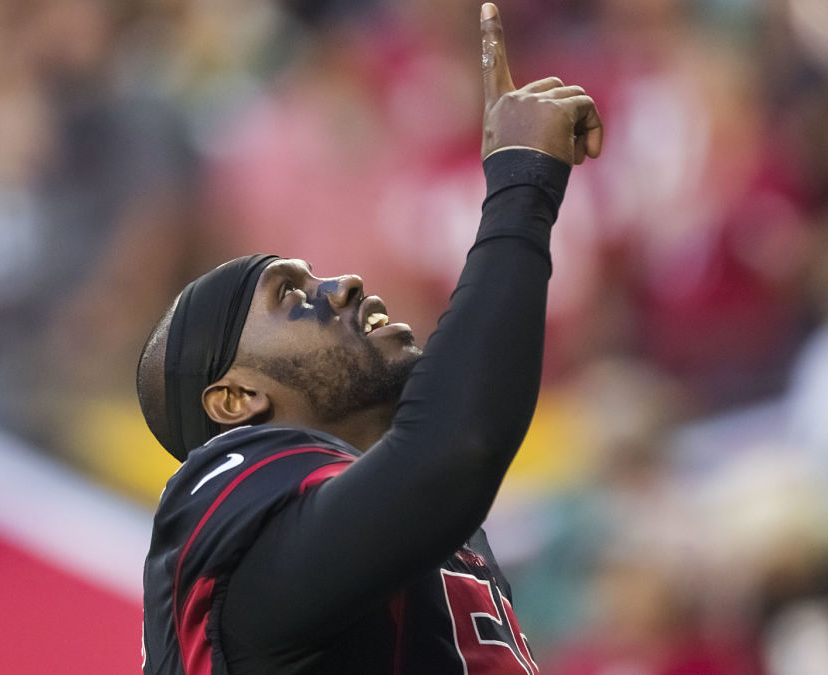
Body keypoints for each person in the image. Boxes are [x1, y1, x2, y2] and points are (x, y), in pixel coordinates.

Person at [135, 4, 602, 672]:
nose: (344, 285)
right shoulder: (229, 506)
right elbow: (456, 446)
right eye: (290, 297)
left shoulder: (408, 516)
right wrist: (520, 181)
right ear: (235, 399)